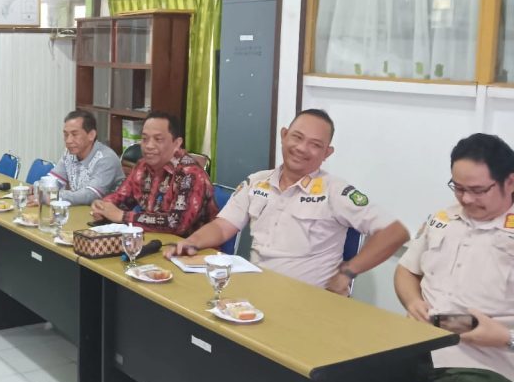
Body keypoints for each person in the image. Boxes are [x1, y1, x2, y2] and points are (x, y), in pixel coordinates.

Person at [395, 133, 514, 382]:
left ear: (510, 181)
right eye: (458, 187)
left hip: (484, 363)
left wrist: (506, 337)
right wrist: (412, 300)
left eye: (478, 190)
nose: (465, 199)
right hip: (417, 343)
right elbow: (405, 271)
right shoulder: (443, 218)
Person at [166, 109, 409, 294]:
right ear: (284, 136)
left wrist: (348, 272)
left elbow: (395, 232)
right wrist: (192, 242)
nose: (302, 149)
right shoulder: (257, 182)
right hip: (256, 292)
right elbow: (222, 226)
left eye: (315, 145)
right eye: (297, 137)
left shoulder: (335, 192)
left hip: (309, 302)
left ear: (327, 153)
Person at [90, 112, 217, 235]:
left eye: (158, 139)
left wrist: (123, 216)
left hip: (192, 251)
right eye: (145, 139)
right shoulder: (142, 166)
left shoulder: (190, 174)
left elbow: (176, 223)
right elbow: (122, 198)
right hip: (154, 242)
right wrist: (103, 206)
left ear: (177, 143)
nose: (149, 145)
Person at [49, 110, 122, 205]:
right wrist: (36, 190)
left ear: (91, 135)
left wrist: (53, 196)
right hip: (82, 210)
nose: (68, 140)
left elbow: (90, 195)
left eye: (74, 134)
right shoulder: (69, 152)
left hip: (107, 215)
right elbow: (54, 181)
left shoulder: (106, 158)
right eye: (66, 135)